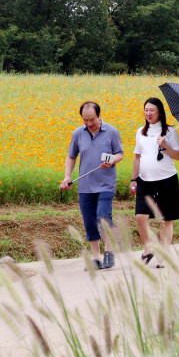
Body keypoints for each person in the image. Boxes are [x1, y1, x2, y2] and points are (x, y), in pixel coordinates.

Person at [61, 101, 123, 270]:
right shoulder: (77, 133)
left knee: (103, 216)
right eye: (85, 120)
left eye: (92, 119)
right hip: (85, 186)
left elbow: (120, 154)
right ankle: (95, 258)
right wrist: (67, 176)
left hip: (106, 184)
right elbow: (71, 156)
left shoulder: (111, 132)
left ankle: (109, 251)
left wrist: (111, 160)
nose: (89, 123)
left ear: (100, 115)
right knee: (89, 222)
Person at [130, 97, 179, 267]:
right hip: (145, 181)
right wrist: (133, 179)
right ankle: (148, 248)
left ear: (159, 111)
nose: (148, 113)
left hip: (167, 179)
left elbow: (177, 156)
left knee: (166, 219)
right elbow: (137, 157)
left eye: (152, 110)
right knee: (140, 216)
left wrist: (165, 145)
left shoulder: (170, 131)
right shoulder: (141, 132)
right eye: (146, 110)